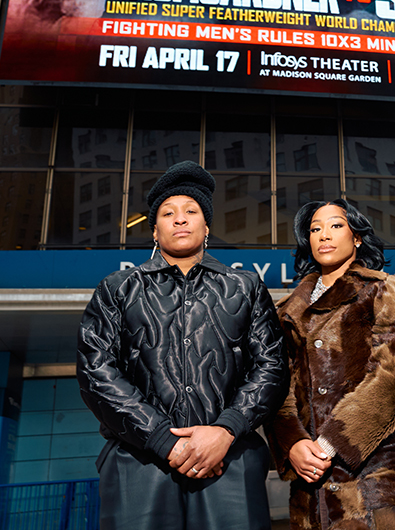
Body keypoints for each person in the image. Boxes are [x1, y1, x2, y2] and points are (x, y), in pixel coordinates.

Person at [76, 161, 288, 530]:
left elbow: (272, 365)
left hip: (230, 457)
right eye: (167, 213)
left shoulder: (246, 287)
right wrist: (161, 439)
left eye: (191, 211)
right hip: (137, 460)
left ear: (207, 227)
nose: (180, 219)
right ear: (154, 230)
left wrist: (226, 429)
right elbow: (96, 370)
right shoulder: (117, 288)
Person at [270, 199, 395, 529]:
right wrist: (292, 443)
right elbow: (275, 387)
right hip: (309, 480)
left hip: (373, 476)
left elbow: (391, 378)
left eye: (336, 225)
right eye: (315, 229)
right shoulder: (286, 312)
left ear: (357, 237)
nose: (324, 235)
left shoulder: (382, 290)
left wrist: (327, 445)